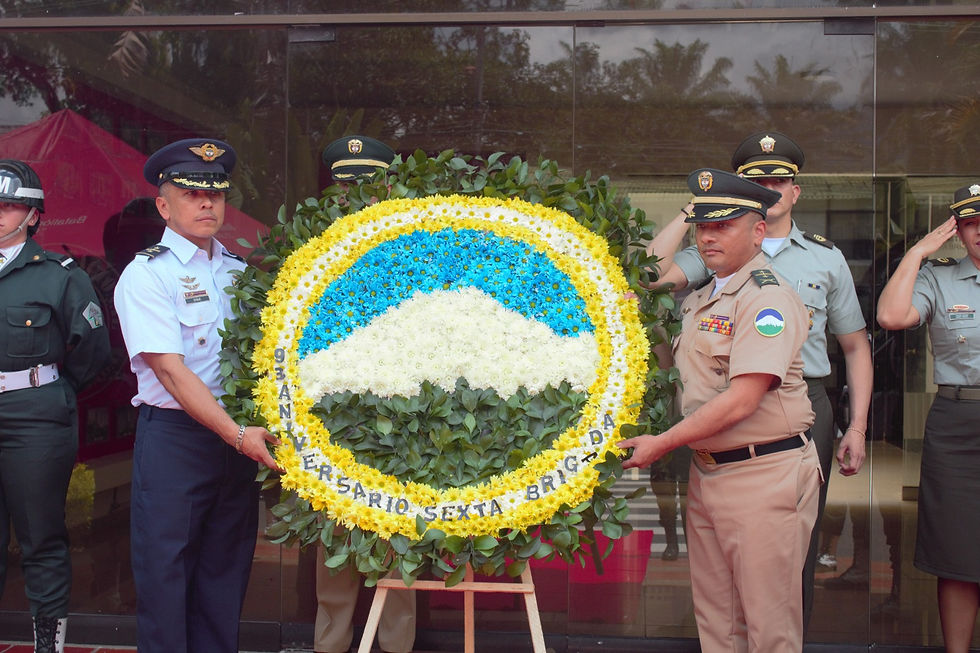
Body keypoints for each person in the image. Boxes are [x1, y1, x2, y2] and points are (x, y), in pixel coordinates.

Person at [648, 131, 872, 628]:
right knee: (724, 587)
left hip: (795, 406)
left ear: (794, 190)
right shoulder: (715, 257)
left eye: (779, 179)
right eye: (756, 181)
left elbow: (855, 345)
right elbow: (649, 274)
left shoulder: (822, 256)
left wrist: (856, 426)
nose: (769, 187)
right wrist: (698, 211)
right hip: (716, 415)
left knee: (788, 562)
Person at [620, 168, 821, 652]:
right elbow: (648, 275)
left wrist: (662, 444)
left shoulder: (766, 297)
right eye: (702, 225)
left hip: (763, 473)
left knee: (767, 629)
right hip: (709, 471)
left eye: (723, 225)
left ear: (757, 231)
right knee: (718, 625)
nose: (708, 236)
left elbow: (743, 398)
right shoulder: (705, 295)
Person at [114, 138, 280, 653]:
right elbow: (169, 371)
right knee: (167, 583)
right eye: (191, 194)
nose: (207, 204)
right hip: (178, 443)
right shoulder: (147, 274)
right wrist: (236, 434)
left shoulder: (236, 271)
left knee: (223, 580)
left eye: (215, 194)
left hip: (235, 443)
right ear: (164, 205)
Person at [0, 159, 110, 653]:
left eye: (9, 206)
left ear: (33, 216)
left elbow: (92, 353)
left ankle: (49, 644)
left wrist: (50, 393)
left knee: (40, 537)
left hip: (34, 416)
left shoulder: (59, 276)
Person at [314, 135, 416, 653]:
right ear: (333, 193)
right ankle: (330, 648)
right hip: (331, 429)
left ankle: (395, 648)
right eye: (347, 185)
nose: (358, 195)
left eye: (369, 185)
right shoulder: (312, 260)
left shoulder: (413, 255)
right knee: (334, 555)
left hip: (403, 429)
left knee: (398, 555)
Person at [877, 184, 980, 653]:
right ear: (958, 230)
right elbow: (892, 316)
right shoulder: (939, 277)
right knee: (956, 552)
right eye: (971, 223)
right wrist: (917, 252)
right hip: (957, 423)